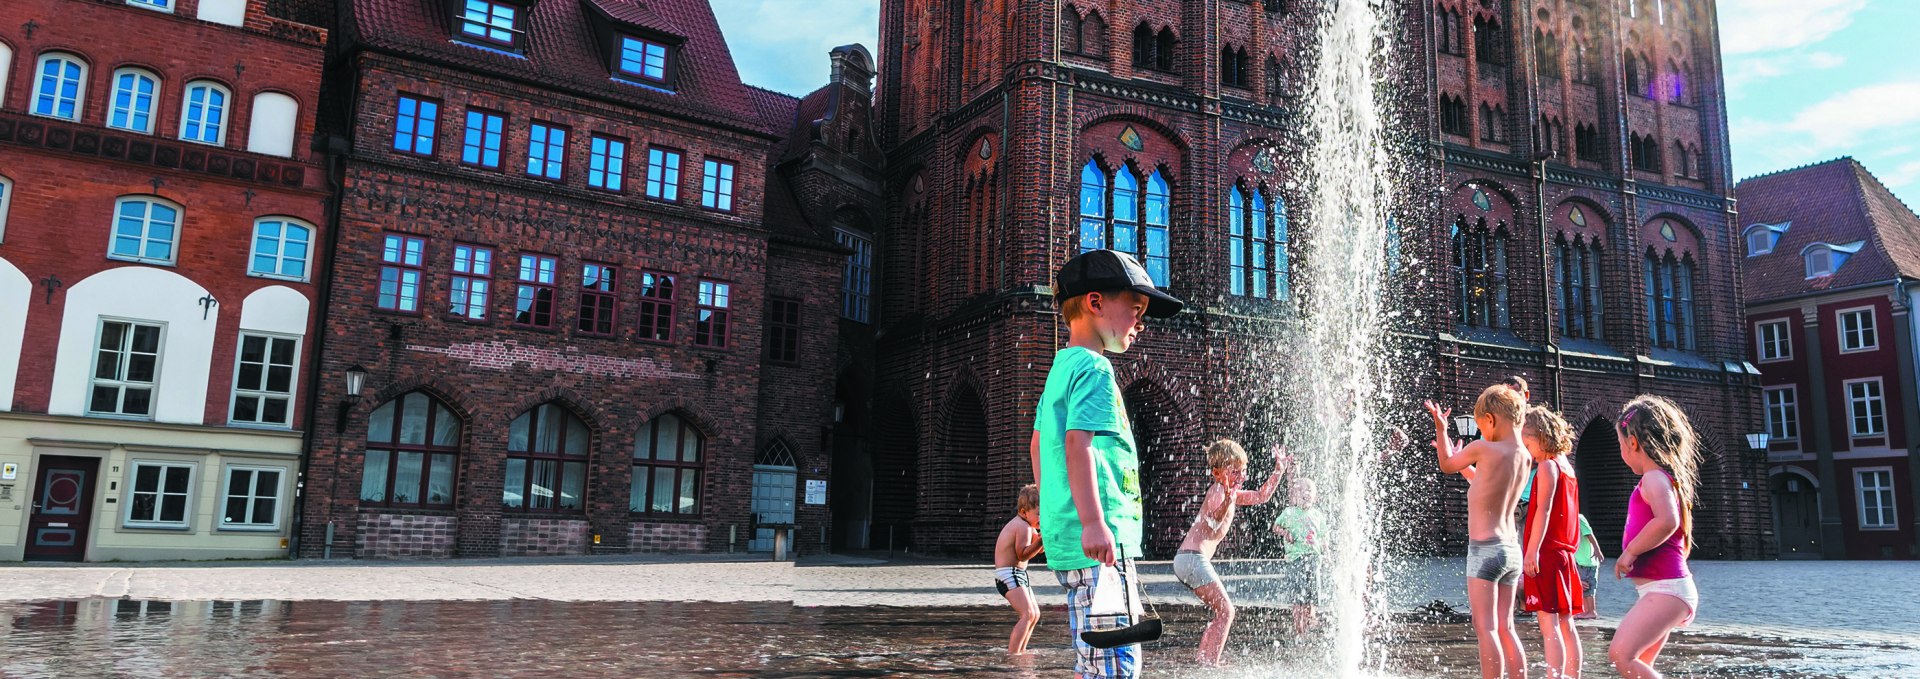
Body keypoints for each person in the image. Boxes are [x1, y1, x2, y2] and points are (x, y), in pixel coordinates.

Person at [1029, 249, 1184, 679]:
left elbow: (1038, 444)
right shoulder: (1096, 369)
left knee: (1094, 651)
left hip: (1074, 537)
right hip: (1101, 542)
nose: (1141, 322)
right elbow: (1079, 444)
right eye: (1135, 310)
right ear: (1095, 303)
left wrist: (1052, 515)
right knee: (1116, 659)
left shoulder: (1061, 367)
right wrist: (1094, 523)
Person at [1425, 385, 1532, 679]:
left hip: (1485, 550)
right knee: (1506, 626)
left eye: (1481, 425)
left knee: (1485, 627)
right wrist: (1465, 466)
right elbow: (1485, 484)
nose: (1481, 432)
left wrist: (1441, 428)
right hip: (1511, 551)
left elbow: (1446, 463)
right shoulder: (1523, 455)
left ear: (1491, 419)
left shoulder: (1483, 448)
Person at [1608, 396, 1703, 679]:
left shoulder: (1654, 478)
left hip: (1667, 590)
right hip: (1662, 590)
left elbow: (1667, 521)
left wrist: (1630, 552)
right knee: (1638, 666)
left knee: (1620, 655)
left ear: (1633, 443)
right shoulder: (1659, 478)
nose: (1621, 451)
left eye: (1620, 444)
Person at [1172, 440, 1286, 666]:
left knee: (1221, 612)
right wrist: (1226, 500)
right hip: (1192, 558)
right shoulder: (1217, 491)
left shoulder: (1230, 494)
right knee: (1227, 611)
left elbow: (1261, 496)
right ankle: (1209, 663)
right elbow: (1213, 522)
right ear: (1219, 473)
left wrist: (1278, 472)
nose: (1242, 477)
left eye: (1244, 471)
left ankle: (1204, 658)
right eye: (1236, 472)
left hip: (1189, 560)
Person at [1520, 407, 1583, 679]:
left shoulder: (1547, 466)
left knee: (1549, 625)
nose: (1529, 451)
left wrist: (1531, 551)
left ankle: (1553, 676)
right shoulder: (1567, 467)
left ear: (1542, 437)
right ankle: (1573, 674)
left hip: (1547, 551)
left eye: (1529, 443)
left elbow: (1543, 511)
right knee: (1566, 623)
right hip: (1565, 553)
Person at [994, 484, 1046, 656]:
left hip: (1017, 574)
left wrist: (1042, 542)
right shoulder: (1022, 526)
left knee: (1035, 614)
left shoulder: (1028, 526)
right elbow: (1022, 555)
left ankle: (1021, 650)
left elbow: (1034, 550)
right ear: (1024, 512)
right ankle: (1013, 654)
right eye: (1038, 514)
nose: (1041, 518)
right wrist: (1040, 541)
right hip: (1009, 574)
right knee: (1027, 613)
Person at [1272, 475, 1326, 637]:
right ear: (1295, 496)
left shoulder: (1318, 515)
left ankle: (1309, 621)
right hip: (1295, 558)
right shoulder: (1289, 513)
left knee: (1312, 593)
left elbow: (1323, 537)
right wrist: (1285, 532)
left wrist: (1327, 554)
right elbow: (1275, 527)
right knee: (1297, 596)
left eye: (1309, 489)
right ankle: (1298, 628)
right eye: (1301, 490)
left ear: (1315, 495)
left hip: (1313, 558)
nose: (1305, 493)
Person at [1574, 513, 1604, 620]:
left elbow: (1589, 534)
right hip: (1579, 559)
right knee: (1582, 586)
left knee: (1588, 586)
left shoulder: (1579, 518)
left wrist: (1597, 549)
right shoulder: (1570, 519)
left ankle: (1591, 611)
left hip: (1588, 560)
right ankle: (1586, 610)